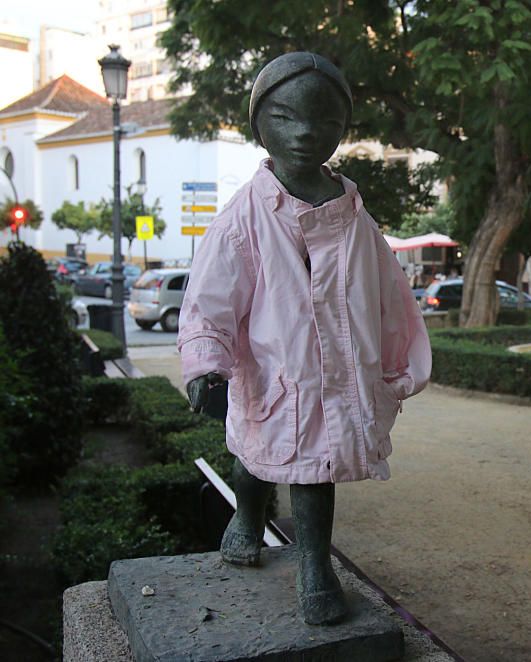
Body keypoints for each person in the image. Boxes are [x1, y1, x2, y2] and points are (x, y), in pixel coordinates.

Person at [177, 52, 431, 625]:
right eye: (287, 117)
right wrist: (205, 364)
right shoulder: (241, 219)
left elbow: (389, 297)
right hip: (271, 370)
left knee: (316, 469)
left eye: (323, 121)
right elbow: (210, 299)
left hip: (334, 373)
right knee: (255, 456)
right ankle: (246, 515)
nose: (304, 133)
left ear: (342, 130)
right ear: (260, 122)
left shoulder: (354, 217)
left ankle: (315, 565)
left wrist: (395, 368)